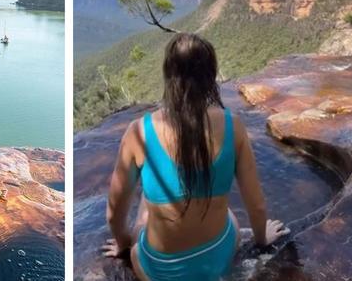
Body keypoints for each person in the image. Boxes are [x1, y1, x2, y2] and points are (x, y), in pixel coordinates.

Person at [101, 33, 290, 280]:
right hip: (217, 262)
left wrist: (124, 244)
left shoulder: (139, 132)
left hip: (158, 270)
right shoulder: (234, 127)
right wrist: (262, 238)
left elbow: (114, 213)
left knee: (146, 205)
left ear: (168, 76)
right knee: (228, 214)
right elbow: (255, 204)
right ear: (211, 77)